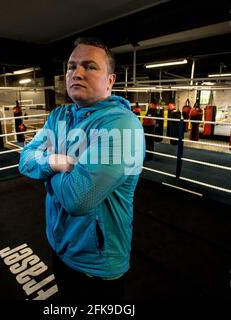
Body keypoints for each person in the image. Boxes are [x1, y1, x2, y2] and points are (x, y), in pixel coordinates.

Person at [19, 37, 144, 301]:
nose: (77, 72)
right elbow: (25, 159)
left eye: (90, 66)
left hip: (96, 264)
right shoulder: (58, 116)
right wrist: (56, 162)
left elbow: (79, 199)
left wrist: (46, 167)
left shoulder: (122, 126)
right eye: (71, 66)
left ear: (110, 80)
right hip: (59, 246)